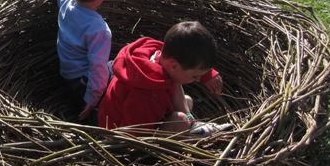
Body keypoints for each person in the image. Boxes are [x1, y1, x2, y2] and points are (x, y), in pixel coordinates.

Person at [98, 21, 232, 135]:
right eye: (195, 76)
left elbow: (186, 52)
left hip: (149, 114)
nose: (198, 80)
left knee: (187, 101)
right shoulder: (145, 95)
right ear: (174, 65)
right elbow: (134, 135)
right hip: (127, 132)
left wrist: (207, 74)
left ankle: (194, 126)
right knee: (179, 120)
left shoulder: (158, 55)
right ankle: (195, 132)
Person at [57, 0, 112, 122]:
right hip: (83, 86)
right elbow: (97, 68)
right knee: (115, 67)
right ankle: (95, 116)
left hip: (66, 78)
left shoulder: (66, 3)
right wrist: (91, 100)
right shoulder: (99, 30)